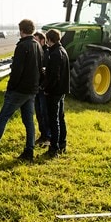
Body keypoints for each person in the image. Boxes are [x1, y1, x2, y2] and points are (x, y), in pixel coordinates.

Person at [0, 18, 42, 162]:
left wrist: (10, 87)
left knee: (3, 117)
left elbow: (17, 70)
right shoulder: (38, 45)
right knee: (28, 122)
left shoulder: (22, 46)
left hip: (19, 90)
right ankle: (29, 151)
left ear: (21, 30)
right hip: (32, 89)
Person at [42, 28, 70, 157]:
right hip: (61, 90)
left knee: (53, 120)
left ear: (49, 39)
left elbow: (54, 76)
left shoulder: (54, 54)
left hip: (54, 91)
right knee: (60, 117)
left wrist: (46, 89)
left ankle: (54, 148)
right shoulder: (63, 50)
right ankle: (62, 143)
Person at [33, 30, 51, 148]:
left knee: (45, 112)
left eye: (36, 40)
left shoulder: (47, 53)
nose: (34, 43)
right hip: (36, 87)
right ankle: (43, 135)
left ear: (43, 41)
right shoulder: (36, 52)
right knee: (39, 113)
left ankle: (48, 137)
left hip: (43, 87)